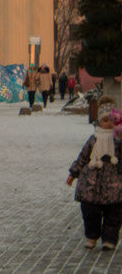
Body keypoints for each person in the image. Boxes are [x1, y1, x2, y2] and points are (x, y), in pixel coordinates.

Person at [66, 99, 122, 250]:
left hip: (114, 185)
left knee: (114, 214)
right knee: (91, 212)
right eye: (105, 120)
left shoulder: (119, 140)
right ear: (99, 121)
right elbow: (83, 157)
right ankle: (91, 236)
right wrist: (73, 173)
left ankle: (109, 240)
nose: (108, 123)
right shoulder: (93, 139)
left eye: (112, 120)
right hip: (91, 184)